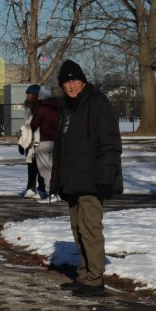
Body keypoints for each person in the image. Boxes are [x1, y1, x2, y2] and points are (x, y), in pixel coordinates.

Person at [50, 60, 123, 297]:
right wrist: (59, 181)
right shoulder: (68, 108)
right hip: (73, 180)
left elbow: (110, 145)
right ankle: (85, 275)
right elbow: (63, 147)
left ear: (83, 81)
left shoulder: (98, 104)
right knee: (78, 229)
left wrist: (105, 177)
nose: (71, 85)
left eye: (75, 81)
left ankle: (95, 279)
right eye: (66, 82)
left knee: (90, 229)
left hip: (92, 181)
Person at [31, 83, 60, 203]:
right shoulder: (59, 106)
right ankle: (58, 192)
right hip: (57, 141)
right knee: (55, 167)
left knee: (45, 169)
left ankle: (50, 193)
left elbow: (33, 124)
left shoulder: (41, 108)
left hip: (43, 140)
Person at [18, 84, 45, 198]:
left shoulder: (39, 108)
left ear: (35, 95)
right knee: (31, 164)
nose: (27, 96)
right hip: (30, 139)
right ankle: (30, 187)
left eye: (29, 94)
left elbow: (33, 124)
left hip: (37, 139)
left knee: (39, 165)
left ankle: (41, 188)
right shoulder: (29, 107)